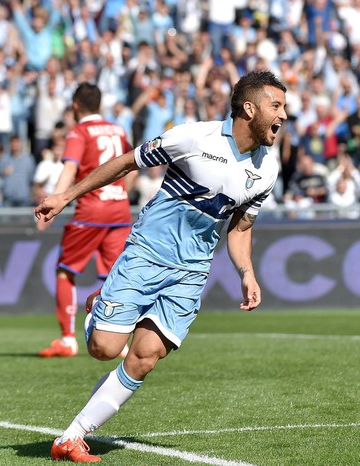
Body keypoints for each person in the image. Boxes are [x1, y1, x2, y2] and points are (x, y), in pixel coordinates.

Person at [35, 69, 287, 462]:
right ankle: (101, 307)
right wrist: (66, 196)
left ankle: (73, 436)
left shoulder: (266, 170)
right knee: (104, 348)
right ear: (249, 108)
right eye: (277, 105)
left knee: (145, 355)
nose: (284, 115)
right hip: (147, 254)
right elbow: (124, 164)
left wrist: (247, 272)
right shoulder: (192, 137)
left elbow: (240, 228)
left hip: (191, 272)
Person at [37, 83, 135, 359]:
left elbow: (69, 168)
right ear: (100, 105)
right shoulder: (118, 130)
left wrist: (55, 201)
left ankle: (68, 339)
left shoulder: (80, 131)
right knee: (111, 277)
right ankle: (115, 339)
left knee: (65, 270)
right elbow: (130, 164)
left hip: (92, 211)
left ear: (76, 106)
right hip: (120, 210)